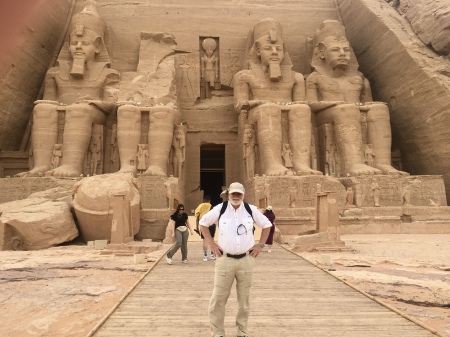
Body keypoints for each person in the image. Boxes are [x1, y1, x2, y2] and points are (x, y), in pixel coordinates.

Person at [17, 0, 119, 178]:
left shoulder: (108, 73)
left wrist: (94, 102)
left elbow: (112, 107)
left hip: (94, 112)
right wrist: (47, 103)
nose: (78, 47)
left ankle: (71, 166)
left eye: (84, 43)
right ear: (68, 45)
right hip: (67, 109)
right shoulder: (54, 73)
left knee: (78, 110)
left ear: (97, 47)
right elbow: (50, 100)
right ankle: (41, 166)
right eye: (74, 43)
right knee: (42, 109)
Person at [306, 20, 408, 176]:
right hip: (326, 116)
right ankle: (354, 164)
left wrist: (365, 106)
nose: (342, 54)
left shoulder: (360, 78)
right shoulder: (315, 77)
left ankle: (383, 163)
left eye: (346, 50)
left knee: (379, 109)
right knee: (346, 109)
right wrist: (336, 103)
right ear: (321, 53)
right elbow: (311, 104)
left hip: (352, 111)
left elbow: (368, 103)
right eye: (335, 50)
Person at [234, 18, 322, 176]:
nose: (274, 52)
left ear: (284, 52)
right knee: (269, 109)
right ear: (258, 51)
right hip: (258, 113)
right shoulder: (244, 76)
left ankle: (301, 164)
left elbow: (302, 102)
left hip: (284, 109)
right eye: (268, 48)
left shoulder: (296, 77)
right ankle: (272, 164)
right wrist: (259, 102)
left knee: (301, 109)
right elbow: (239, 105)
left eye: (279, 49)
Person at [200, 182, 272, 337]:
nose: (236, 196)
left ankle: (242, 331)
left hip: (246, 259)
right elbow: (203, 224)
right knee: (218, 298)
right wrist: (211, 243)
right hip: (225, 259)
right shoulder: (221, 209)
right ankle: (217, 332)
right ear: (229, 194)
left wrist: (260, 245)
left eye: (239, 194)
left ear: (243, 194)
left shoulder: (250, 210)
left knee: (244, 301)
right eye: (233, 194)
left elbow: (267, 225)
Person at [194, 195, 216, 262]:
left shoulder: (200, 206)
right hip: (211, 225)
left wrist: (197, 227)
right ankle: (212, 254)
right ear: (209, 201)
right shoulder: (212, 207)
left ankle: (205, 255)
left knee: (204, 240)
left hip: (203, 225)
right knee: (211, 239)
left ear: (204, 200)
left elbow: (197, 217)